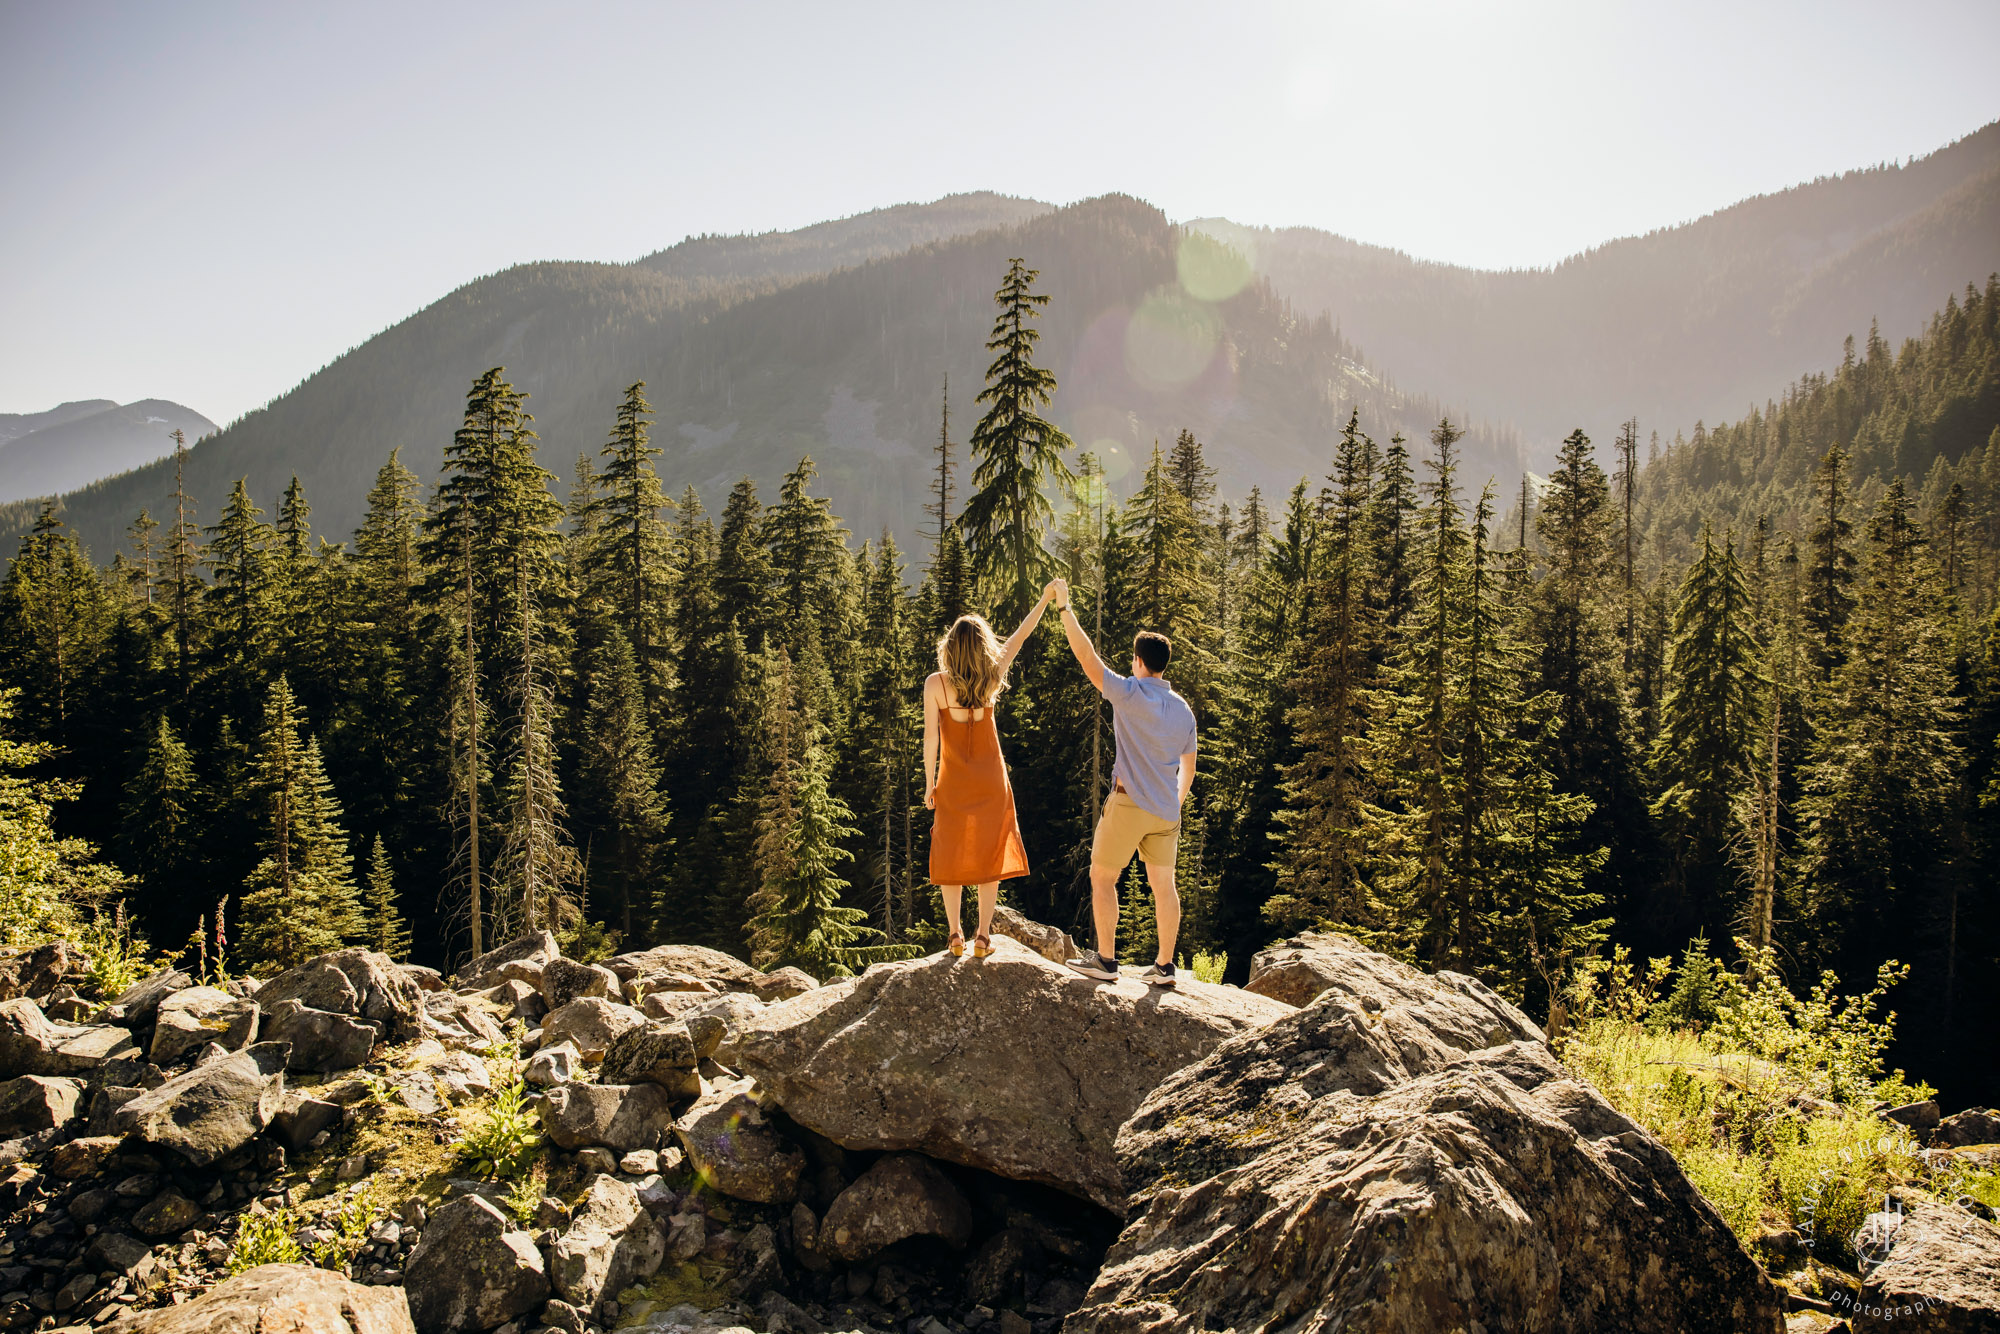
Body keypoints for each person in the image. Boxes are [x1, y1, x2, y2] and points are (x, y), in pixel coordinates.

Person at [1048, 578, 1197, 986]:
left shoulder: (1130, 693)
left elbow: (1086, 656)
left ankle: (1107, 961)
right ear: (1163, 664)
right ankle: (1165, 967)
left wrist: (1065, 608)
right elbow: (1190, 765)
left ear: (1137, 660)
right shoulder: (1183, 709)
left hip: (1129, 803)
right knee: (1164, 886)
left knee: (1102, 877)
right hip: (1166, 811)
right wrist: (1175, 802)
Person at [924, 582, 1059, 957]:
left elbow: (930, 741)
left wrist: (929, 784)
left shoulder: (935, 684)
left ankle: (955, 934)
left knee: (950, 850)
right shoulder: (992, 677)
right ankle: (983, 937)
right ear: (983, 647)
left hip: (952, 780)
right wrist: (1045, 599)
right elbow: (1019, 635)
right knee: (990, 851)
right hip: (991, 781)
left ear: (950, 648)